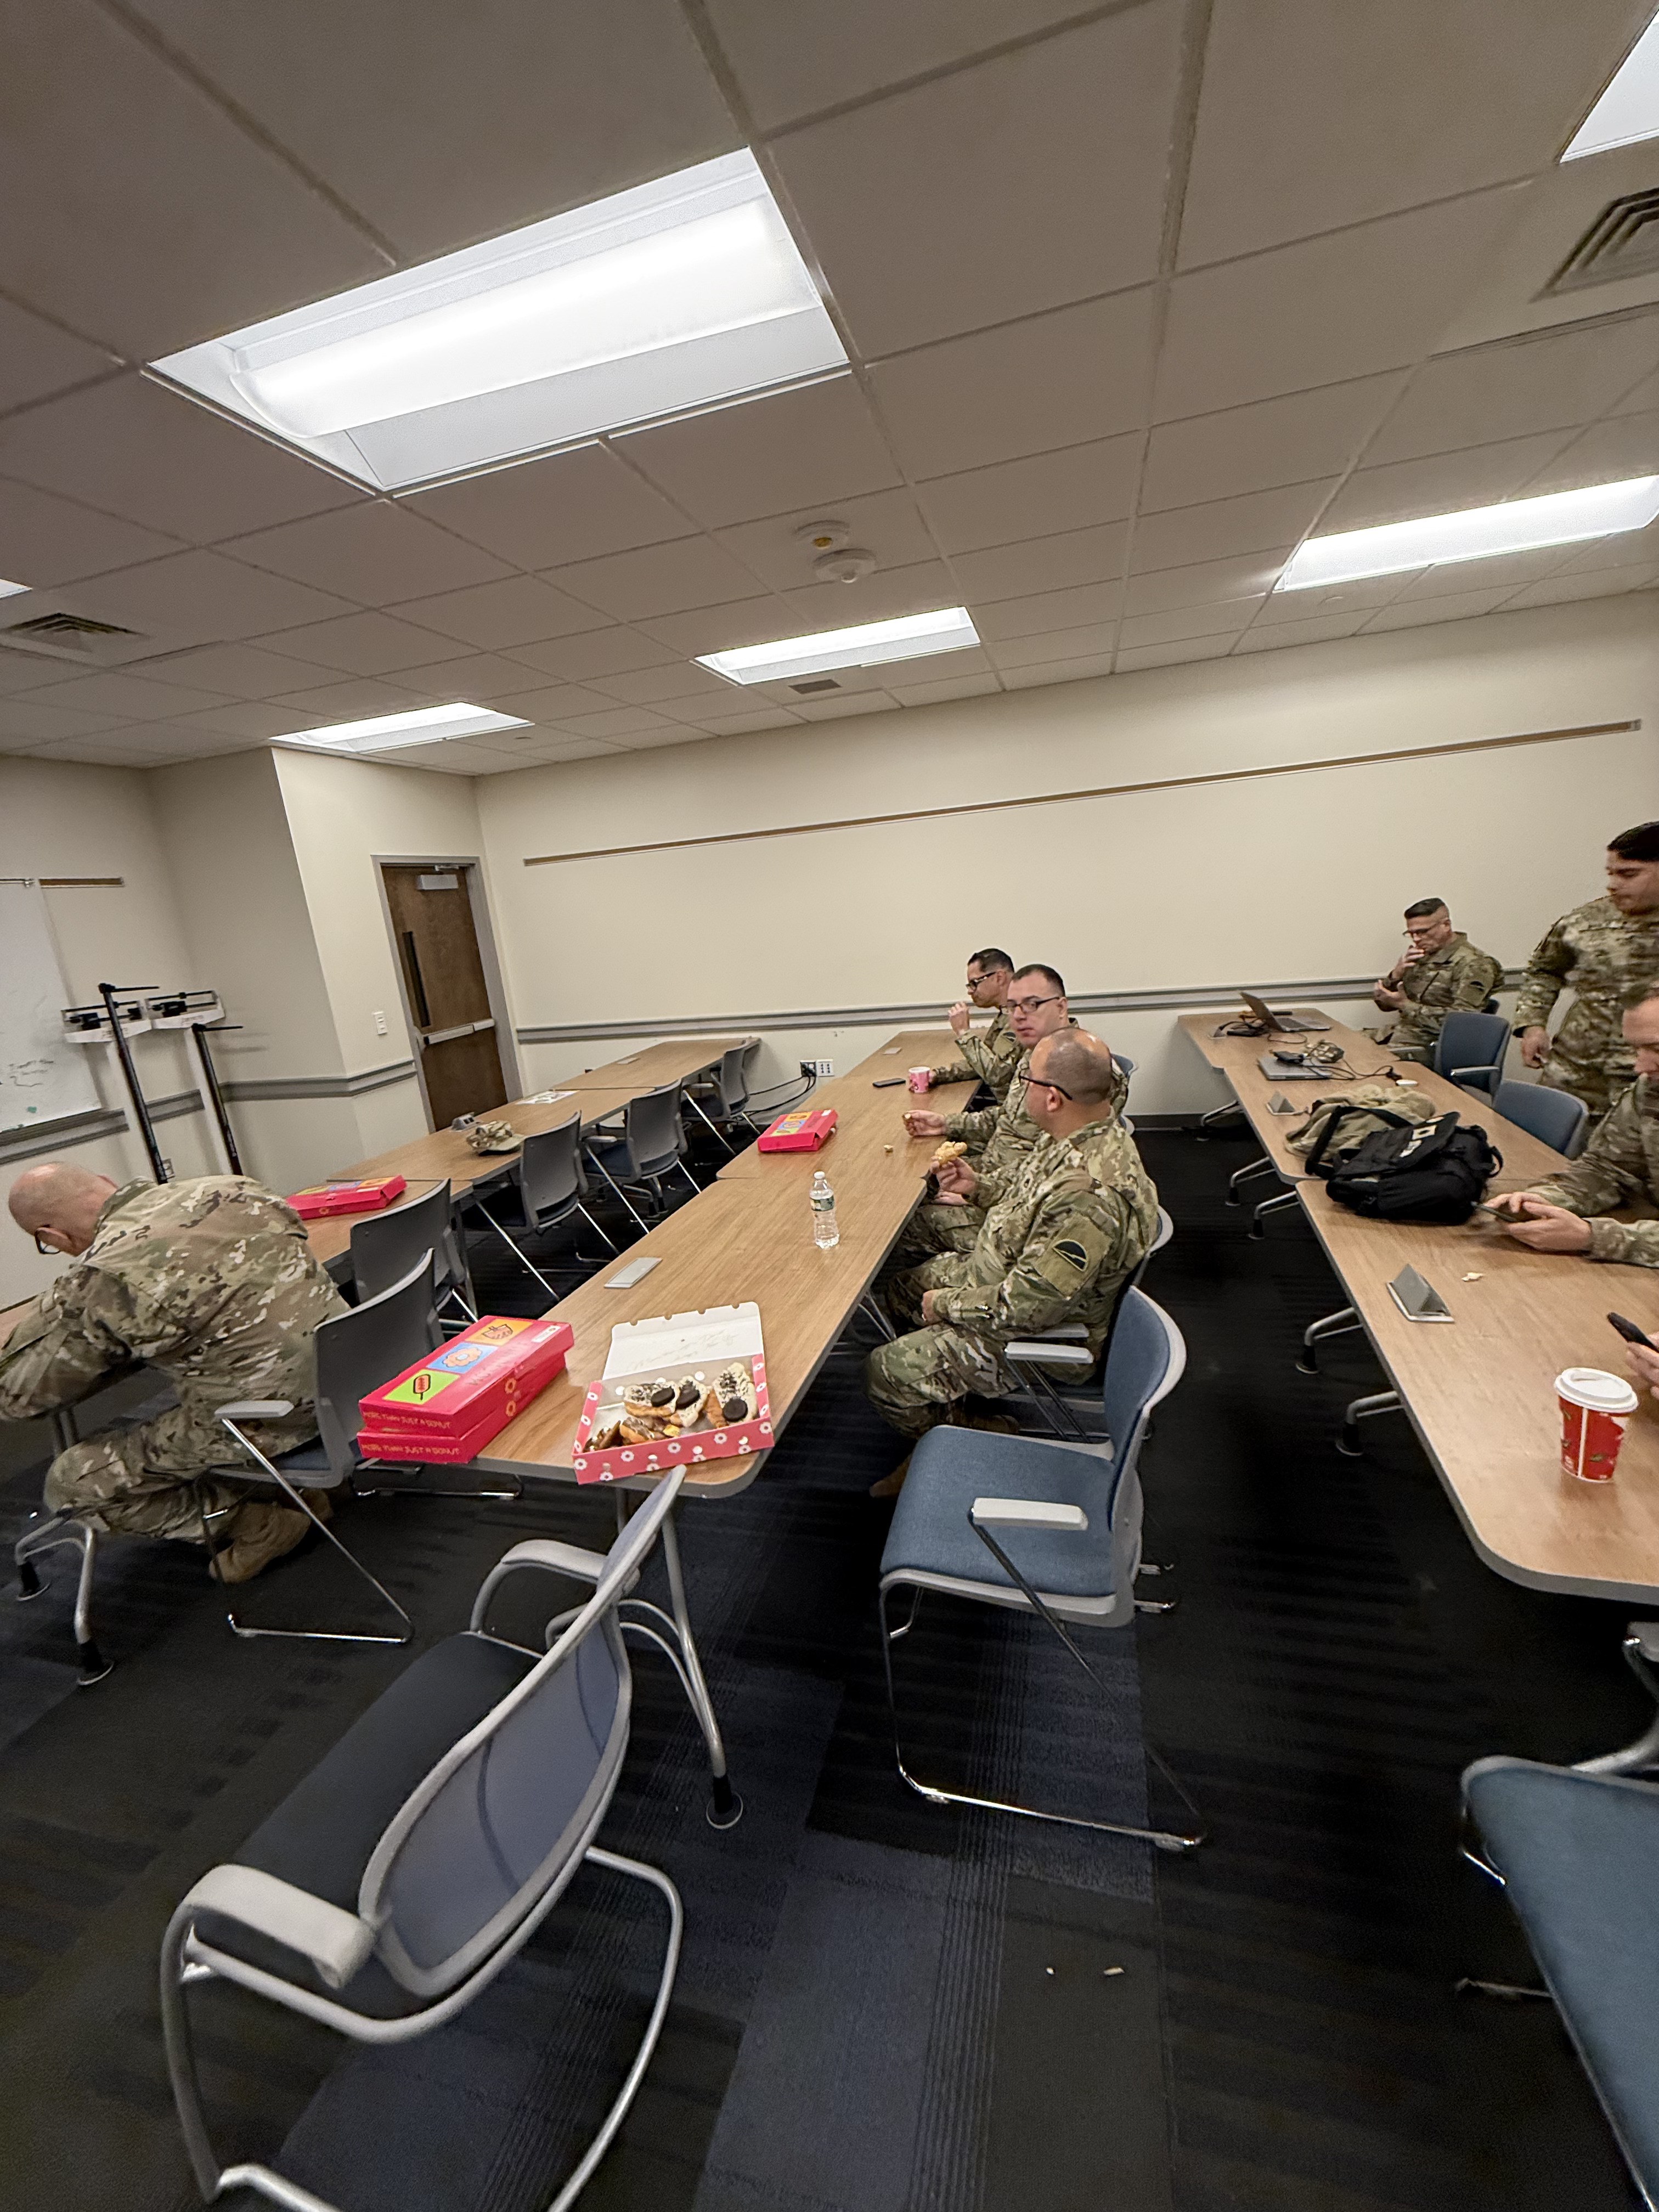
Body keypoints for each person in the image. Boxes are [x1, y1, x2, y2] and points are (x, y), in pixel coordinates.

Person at [0, 1166, 347, 1583]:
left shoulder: (106, 1272)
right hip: (351, 1379)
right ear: (107, 1184)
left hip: (266, 1419)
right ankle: (293, 1492)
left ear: (53, 1238)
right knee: (195, 1389)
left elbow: (20, 1397)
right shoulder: (234, 1188)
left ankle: (259, 1525)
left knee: (73, 1482)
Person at [865, 1030, 1158, 1491]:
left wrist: (946, 1306)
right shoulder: (1074, 1134)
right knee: (903, 1288)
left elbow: (1029, 1308)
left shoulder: (1089, 1197)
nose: (1022, 1086)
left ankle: (954, 1437)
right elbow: (1029, 1197)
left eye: (1029, 1078)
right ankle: (952, 1404)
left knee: (885, 1372)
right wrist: (976, 1185)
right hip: (1003, 1277)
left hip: (1041, 1332)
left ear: (1053, 1098)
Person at [898, 963, 1121, 1259]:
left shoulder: (1084, 1069)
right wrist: (945, 1123)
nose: (1018, 1016)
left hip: (1016, 1212)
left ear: (1061, 1006)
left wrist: (980, 1194)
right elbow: (1005, 1117)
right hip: (996, 1176)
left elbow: (1061, 1175)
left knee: (906, 1221)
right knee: (916, 1181)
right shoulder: (1035, 1055)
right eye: (1013, 1006)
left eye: (1032, 1005)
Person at [1485, 984, 1659, 1267]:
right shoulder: (1650, 1090)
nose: (1640, 1066)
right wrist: (1545, 1199)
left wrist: (1593, 1237)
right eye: (1636, 1049)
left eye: (1656, 1048)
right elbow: (1608, 1168)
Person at [1513, 822, 1659, 1122]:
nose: (1613, 885)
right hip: (1573, 1070)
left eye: (1628, 874)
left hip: (1643, 1082)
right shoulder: (1586, 921)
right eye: (1611, 873)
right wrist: (1532, 1025)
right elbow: (1544, 969)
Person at [1369, 898, 1502, 1063]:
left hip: (1431, 1047)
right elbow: (1384, 1004)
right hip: (1399, 1035)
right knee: (1342, 1046)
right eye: (1411, 934)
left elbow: (1461, 1024)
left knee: (1362, 1066)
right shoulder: (1424, 955)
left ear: (1446, 925)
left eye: (1423, 932)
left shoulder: (1474, 964)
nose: (1416, 939)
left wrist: (1405, 1005)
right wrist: (1396, 975)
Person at [925, 946, 1021, 1098]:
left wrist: (964, 1033)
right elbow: (981, 1063)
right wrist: (938, 1075)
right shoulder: (1006, 1012)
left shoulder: (1022, 1016)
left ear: (999, 978)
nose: (970, 991)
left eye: (975, 983)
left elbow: (996, 1075)